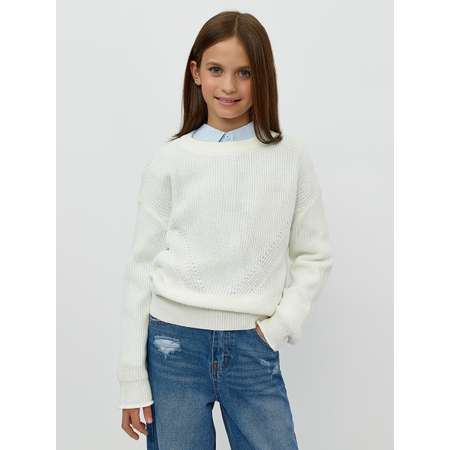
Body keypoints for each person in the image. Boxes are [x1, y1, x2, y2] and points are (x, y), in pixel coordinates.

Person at [117, 10, 333, 449]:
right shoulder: (170, 161)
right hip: (173, 345)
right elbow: (141, 268)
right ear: (196, 73)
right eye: (216, 70)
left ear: (262, 77)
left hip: (253, 347)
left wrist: (280, 325)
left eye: (244, 73)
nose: (229, 86)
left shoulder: (289, 157)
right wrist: (131, 379)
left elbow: (314, 255)